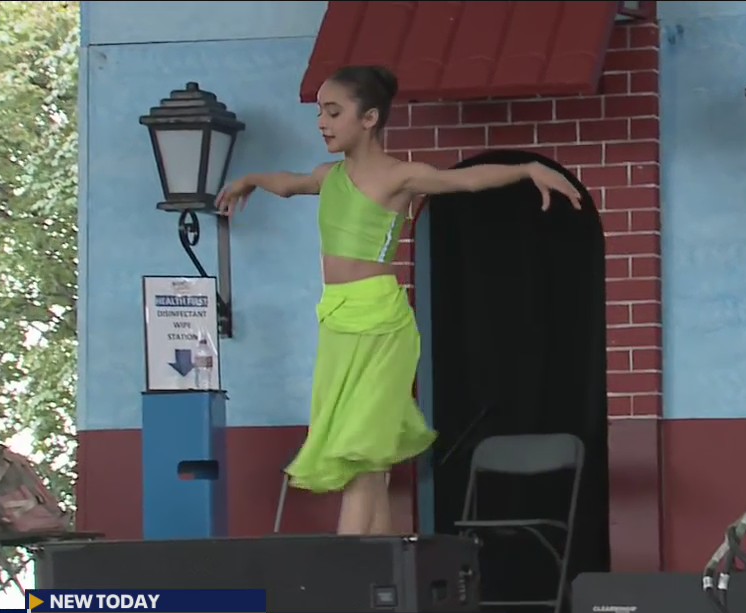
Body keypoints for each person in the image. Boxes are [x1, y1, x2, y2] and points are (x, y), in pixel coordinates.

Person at [215, 65, 582, 536]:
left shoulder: (399, 177)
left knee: (364, 455)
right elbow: (288, 184)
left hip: (382, 323)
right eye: (320, 113)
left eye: (333, 112)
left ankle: (348, 575)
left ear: (369, 118)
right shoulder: (329, 176)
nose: (322, 123)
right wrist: (250, 180)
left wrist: (528, 168)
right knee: (370, 462)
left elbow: (466, 183)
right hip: (337, 321)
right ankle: (391, 586)